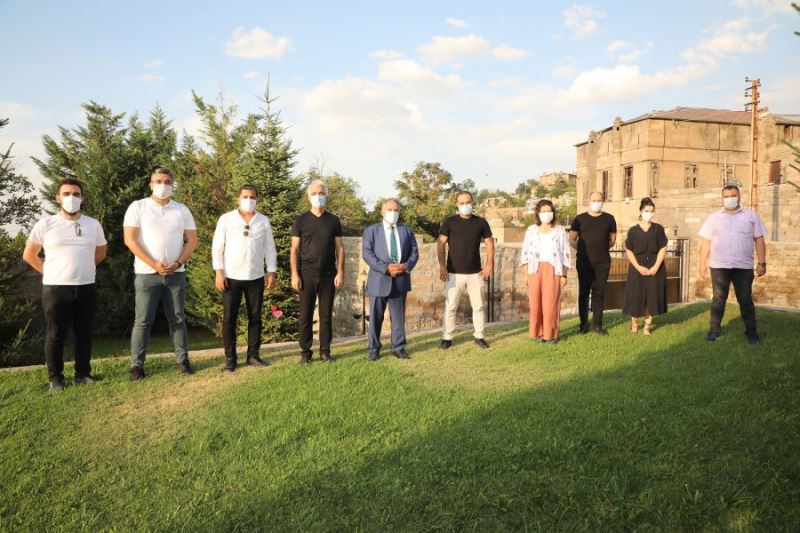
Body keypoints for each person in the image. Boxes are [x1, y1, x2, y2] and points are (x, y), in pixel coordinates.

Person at [22, 178, 107, 393]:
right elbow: (29, 255)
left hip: (86, 286)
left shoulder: (93, 224)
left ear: (82, 198)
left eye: (76, 194)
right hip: (55, 289)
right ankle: (55, 379)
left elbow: (100, 253)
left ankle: (83, 374)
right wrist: (50, 272)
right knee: (55, 334)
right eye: (67, 194)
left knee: (84, 333)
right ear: (58, 198)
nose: (72, 198)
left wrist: (83, 268)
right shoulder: (45, 224)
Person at [123, 167, 198, 380]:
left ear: (172, 184)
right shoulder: (138, 207)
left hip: (176, 273)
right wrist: (154, 264)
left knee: (177, 319)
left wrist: (178, 262)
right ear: (151, 184)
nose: (163, 185)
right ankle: (137, 366)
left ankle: (182, 361)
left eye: (167, 181)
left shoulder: (181, 210)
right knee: (142, 321)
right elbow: (130, 240)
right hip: (146, 275)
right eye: (158, 181)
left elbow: (192, 241)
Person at [212, 184, 277, 372]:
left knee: (255, 317)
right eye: (245, 196)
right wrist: (219, 272)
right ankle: (230, 360)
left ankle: (253, 356)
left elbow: (269, 247)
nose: (249, 200)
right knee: (229, 319)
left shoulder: (263, 221)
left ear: (257, 199)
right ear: (238, 199)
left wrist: (271, 271)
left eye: (253, 197)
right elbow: (217, 246)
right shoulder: (226, 219)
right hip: (231, 277)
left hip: (255, 276)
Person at [698, 184, 767, 345]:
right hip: (719, 266)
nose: (730, 199)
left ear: (739, 196)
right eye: (726, 196)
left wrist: (762, 262)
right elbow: (706, 242)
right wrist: (702, 264)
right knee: (718, 299)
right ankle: (714, 330)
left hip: (743, 267)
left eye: (733, 196)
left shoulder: (751, 216)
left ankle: (751, 333)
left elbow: (759, 239)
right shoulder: (713, 218)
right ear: (722, 198)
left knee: (745, 300)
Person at [290, 180, 345, 364]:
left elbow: (340, 248)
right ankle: (305, 354)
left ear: (326, 195)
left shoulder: (333, 221)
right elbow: (294, 249)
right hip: (306, 275)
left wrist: (340, 272)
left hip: (329, 275)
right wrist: (294, 274)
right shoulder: (300, 221)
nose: (318, 196)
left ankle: (325, 352)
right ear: (309, 196)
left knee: (325, 316)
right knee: (305, 316)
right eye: (314, 193)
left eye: (321, 193)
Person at [362, 198, 419, 361]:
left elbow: (414, 253)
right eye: (389, 210)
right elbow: (367, 254)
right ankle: (374, 349)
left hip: (400, 280)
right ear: (382, 211)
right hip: (379, 280)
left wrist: (405, 266)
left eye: (396, 210)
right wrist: (386, 268)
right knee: (375, 318)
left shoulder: (406, 231)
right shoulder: (371, 231)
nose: (393, 213)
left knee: (398, 318)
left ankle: (398, 348)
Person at [438, 191, 494, 349]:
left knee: (478, 307)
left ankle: (479, 335)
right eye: (462, 203)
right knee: (451, 307)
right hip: (453, 273)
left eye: (468, 202)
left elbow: (490, 243)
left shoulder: (481, 222)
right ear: (457, 204)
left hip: (476, 273)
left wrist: (489, 265)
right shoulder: (449, 222)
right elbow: (441, 244)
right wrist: (442, 266)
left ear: (472, 202)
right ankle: (447, 337)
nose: (465, 205)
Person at [519, 199, 571, 344]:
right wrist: (526, 274)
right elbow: (525, 252)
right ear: (538, 213)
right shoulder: (531, 230)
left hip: (553, 269)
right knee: (536, 304)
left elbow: (566, 253)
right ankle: (540, 333)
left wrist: (564, 274)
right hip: (534, 269)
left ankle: (552, 334)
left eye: (549, 210)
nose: (546, 213)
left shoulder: (560, 230)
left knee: (551, 304)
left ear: (553, 212)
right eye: (543, 211)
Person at [569, 191, 617, 335]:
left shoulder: (609, 219)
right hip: (584, 263)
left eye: (599, 200)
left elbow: (612, 240)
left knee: (599, 294)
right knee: (583, 294)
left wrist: (601, 249)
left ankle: (597, 326)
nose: (597, 203)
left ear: (603, 201)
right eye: (594, 200)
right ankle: (583, 325)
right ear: (589, 201)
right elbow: (572, 239)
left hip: (602, 262)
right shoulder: (579, 219)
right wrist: (583, 250)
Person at [622, 197, 668, 335]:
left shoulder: (658, 229)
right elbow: (629, 250)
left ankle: (647, 326)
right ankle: (634, 324)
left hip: (655, 265)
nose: (649, 213)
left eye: (652, 211)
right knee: (636, 295)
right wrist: (638, 267)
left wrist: (656, 267)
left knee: (653, 296)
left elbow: (662, 248)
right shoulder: (633, 231)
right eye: (647, 210)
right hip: (637, 266)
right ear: (641, 211)